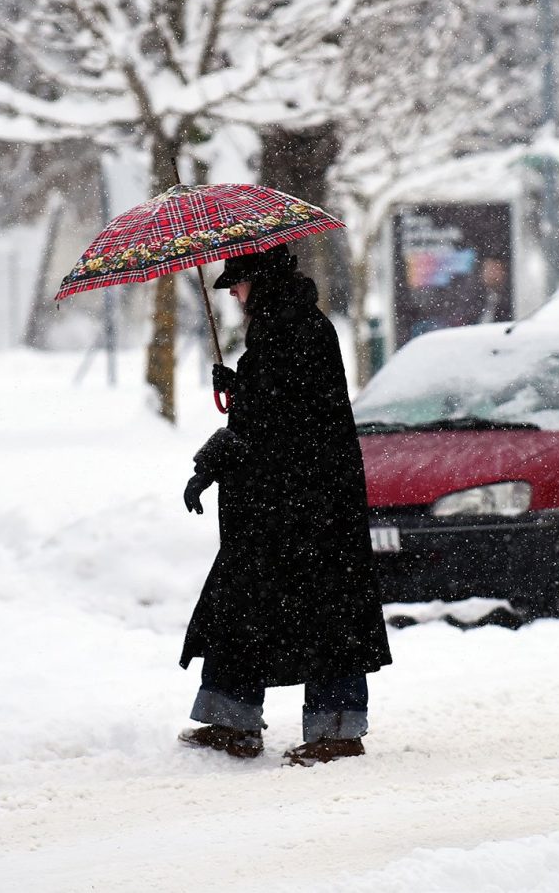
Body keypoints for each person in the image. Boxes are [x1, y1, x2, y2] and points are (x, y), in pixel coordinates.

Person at [178, 244, 393, 766]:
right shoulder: (288, 326)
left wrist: (212, 459)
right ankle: (233, 720)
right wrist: (241, 383)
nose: (231, 290)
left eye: (238, 281)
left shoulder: (291, 331)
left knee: (322, 614)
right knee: (246, 606)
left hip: (306, 505)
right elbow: (276, 406)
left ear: (262, 281)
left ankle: (335, 732)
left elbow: (275, 425)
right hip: (289, 503)